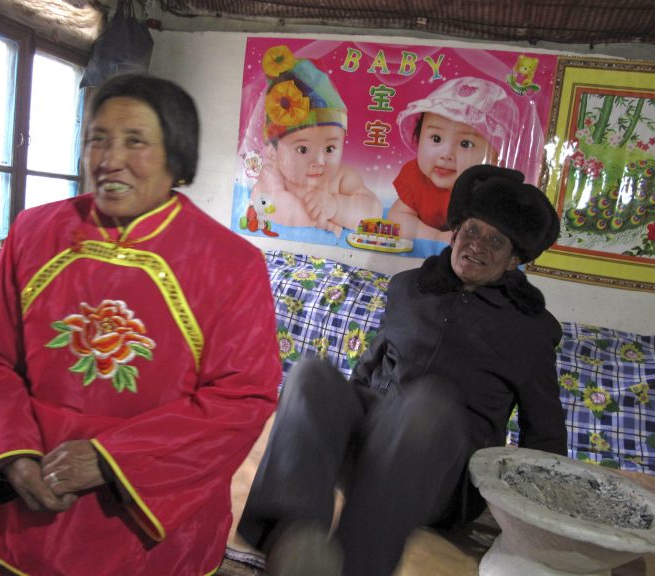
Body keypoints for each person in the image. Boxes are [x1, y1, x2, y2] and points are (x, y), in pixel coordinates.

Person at [0, 73, 282, 576]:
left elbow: (242, 398)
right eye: (97, 139)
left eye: (135, 141)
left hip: (145, 533)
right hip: (28, 504)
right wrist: (10, 454)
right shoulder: (35, 232)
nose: (109, 159)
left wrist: (111, 459)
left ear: (178, 159)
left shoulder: (230, 263)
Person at [237, 165, 567, 576]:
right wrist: (337, 417)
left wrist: (544, 525)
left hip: (443, 476)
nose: (477, 245)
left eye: (495, 241)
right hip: (369, 452)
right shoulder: (409, 288)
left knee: (427, 402)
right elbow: (367, 371)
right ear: (454, 232)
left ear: (515, 258)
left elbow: (546, 435)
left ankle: (353, 563)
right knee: (309, 376)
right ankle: (293, 540)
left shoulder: (530, 330)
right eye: (472, 231)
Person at [251, 45, 382, 238]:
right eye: (303, 149)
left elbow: (373, 212)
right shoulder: (271, 174)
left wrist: (336, 207)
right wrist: (319, 222)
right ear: (272, 151)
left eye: (330, 148)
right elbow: (271, 206)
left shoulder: (342, 177)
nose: (319, 160)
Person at [387, 77, 519, 243]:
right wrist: (435, 237)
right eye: (436, 138)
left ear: (495, 157)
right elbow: (397, 218)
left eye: (465, 144)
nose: (446, 154)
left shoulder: (490, 191)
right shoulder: (417, 177)